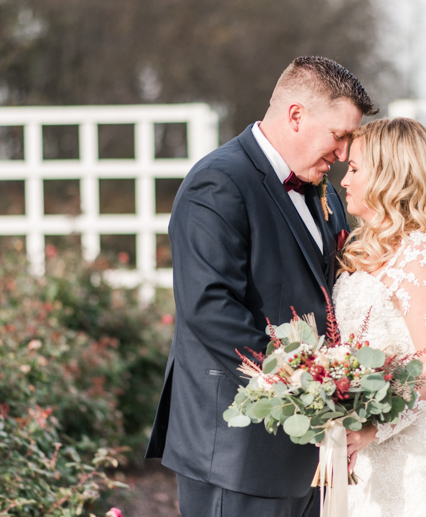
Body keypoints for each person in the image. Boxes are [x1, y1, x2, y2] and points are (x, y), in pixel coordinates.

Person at [145, 56, 376, 517]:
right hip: (237, 450)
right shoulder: (218, 183)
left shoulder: (327, 193)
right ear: (296, 115)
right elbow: (210, 309)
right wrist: (305, 385)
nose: (345, 153)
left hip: (311, 449)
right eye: (339, 135)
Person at [336, 117, 426, 516]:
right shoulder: (365, 250)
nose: (344, 180)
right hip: (363, 454)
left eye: (354, 169)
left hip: (415, 455)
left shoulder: (419, 254)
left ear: (389, 176)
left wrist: (375, 427)